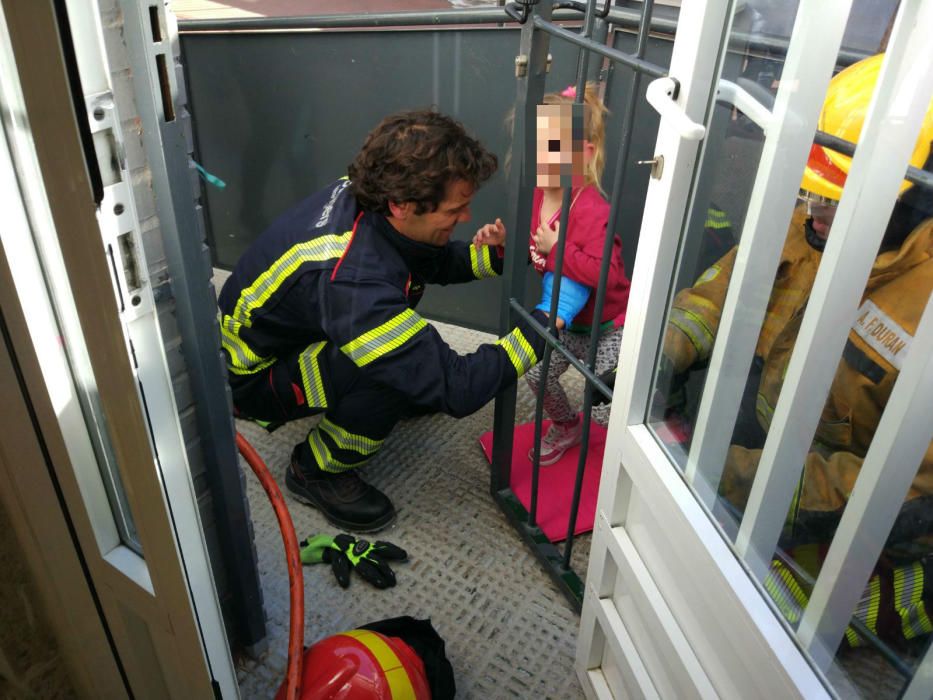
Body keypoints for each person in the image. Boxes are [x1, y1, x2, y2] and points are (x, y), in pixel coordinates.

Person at [661, 54, 933, 647]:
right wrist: (661, 357)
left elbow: (911, 486)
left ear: (913, 199)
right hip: (790, 443)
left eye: (833, 200)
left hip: (899, 516)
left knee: (761, 617)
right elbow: (722, 290)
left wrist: (741, 480)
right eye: (810, 193)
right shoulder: (818, 215)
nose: (812, 215)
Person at [218, 110, 553, 533]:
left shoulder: (373, 196)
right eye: (456, 209)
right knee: (389, 374)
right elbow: (459, 388)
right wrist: (541, 328)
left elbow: (421, 255)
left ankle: (388, 381)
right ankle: (317, 469)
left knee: (402, 361)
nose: (466, 218)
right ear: (401, 204)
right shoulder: (355, 285)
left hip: (293, 334)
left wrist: (499, 256)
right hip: (255, 379)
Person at [474, 83, 631, 465]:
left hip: (608, 327)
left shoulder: (594, 210)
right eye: (535, 147)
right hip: (565, 324)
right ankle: (567, 426)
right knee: (537, 377)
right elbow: (534, 254)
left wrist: (557, 250)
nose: (541, 159)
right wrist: (502, 245)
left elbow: (606, 277)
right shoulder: (538, 199)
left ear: (585, 155)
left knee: (605, 401)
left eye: (553, 150)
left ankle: (623, 458)